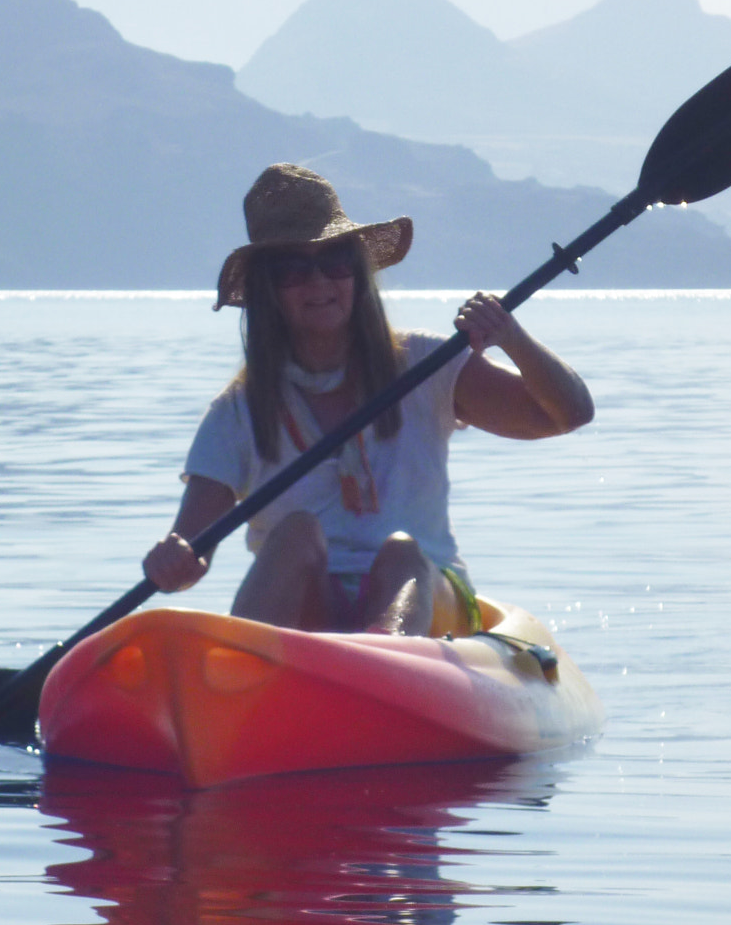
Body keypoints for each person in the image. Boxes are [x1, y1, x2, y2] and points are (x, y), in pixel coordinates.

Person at [142, 163, 593, 636]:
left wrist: (512, 337)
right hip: (311, 621)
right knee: (293, 535)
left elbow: (569, 414)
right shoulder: (237, 411)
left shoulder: (424, 364)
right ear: (267, 289)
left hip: (428, 610)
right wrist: (171, 559)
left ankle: (384, 656)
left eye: (334, 261)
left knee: (400, 551)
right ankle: (247, 674)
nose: (319, 283)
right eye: (293, 270)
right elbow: (190, 557)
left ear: (356, 273)